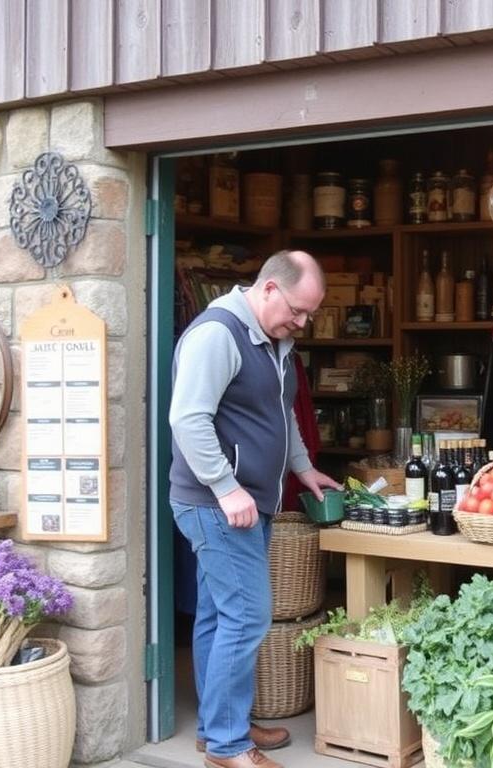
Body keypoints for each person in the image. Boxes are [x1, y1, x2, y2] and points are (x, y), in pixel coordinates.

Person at [169, 249, 341, 768]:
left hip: (246, 503)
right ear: (268, 288)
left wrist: (303, 467)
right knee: (247, 617)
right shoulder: (217, 334)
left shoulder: (275, 341)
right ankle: (226, 747)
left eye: (309, 314)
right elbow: (188, 419)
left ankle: (217, 726)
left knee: (218, 615)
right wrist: (226, 487)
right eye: (298, 309)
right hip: (216, 505)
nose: (302, 322)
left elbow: (280, 413)